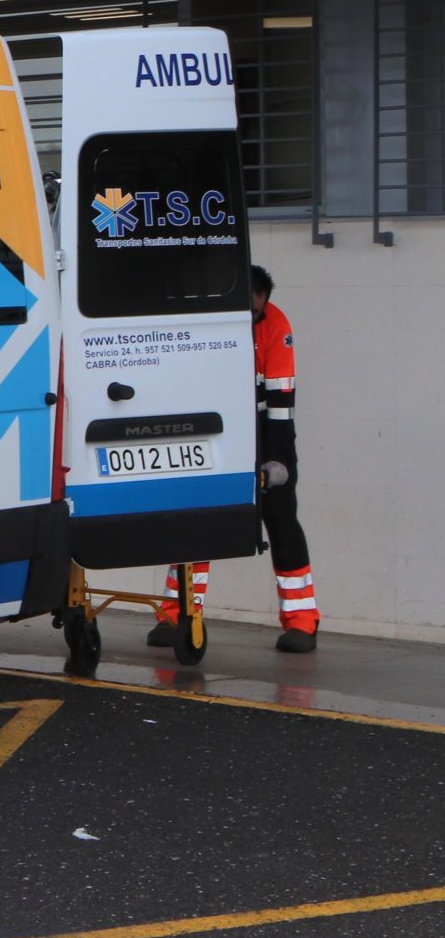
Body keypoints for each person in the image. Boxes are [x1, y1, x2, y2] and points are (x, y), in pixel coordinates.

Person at [150, 263, 320, 653]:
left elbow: (280, 405)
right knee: (200, 521)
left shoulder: (276, 327)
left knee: (281, 521)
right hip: (218, 429)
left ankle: (302, 621)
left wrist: (277, 461)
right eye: (249, 309)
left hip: (266, 433)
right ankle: (176, 615)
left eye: (258, 311)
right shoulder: (209, 317)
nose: (253, 316)